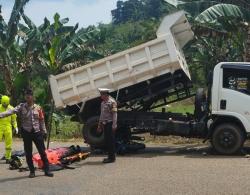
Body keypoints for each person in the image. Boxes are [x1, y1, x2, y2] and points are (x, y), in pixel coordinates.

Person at [0, 89, 53, 178]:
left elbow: (41, 120)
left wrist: (44, 131)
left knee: (42, 152)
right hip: (27, 133)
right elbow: (10, 112)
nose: (28, 97)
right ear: (25, 97)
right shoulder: (21, 107)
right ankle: (32, 171)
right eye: (26, 95)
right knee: (28, 153)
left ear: (33, 97)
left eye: (29, 95)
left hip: (37, 133)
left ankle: (47, 170)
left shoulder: (38, 108)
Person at [97, 88, 117, 163]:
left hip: (110, 123)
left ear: (106, 94)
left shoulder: (112, 102)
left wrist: (114, 125)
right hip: (105, 124)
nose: (101, 96)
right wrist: (99, 125)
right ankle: (110, 157)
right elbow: (102, 115)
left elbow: (115, 114)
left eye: (102, 94)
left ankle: (112, 158)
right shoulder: (103, 103)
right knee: (107, 141)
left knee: (111, 141)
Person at [0, 95, 18, 164]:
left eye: (6, 104)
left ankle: (8, 158)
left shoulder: (11, 108)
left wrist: (16, 127)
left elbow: (14, 120)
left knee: (9, 143)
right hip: (0, 127)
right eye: (4, 104)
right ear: (2, 102)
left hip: (8, 127)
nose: (5, 106)